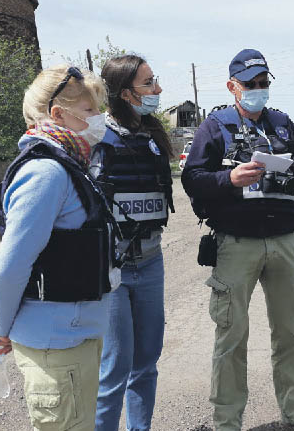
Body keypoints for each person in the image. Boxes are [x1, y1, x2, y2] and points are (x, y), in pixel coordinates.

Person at [0, 65, 120, 431]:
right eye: (90, 111)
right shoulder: (46, 173)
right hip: (57, 341)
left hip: (75, 337)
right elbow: (10, 268)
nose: (100, 119)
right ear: (59, 114)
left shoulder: (71, 165)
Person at [181, 49, 294, 431]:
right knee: (231, 336)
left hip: (285, 242)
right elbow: (191, 178)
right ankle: (227, 423)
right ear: (233, 86)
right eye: (251, 84)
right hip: (235, 244)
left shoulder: (285, 127)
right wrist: (229, 179)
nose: (259, 90)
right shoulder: (214, 127)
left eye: (264, 83)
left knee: (291, 334)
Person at [90, 55, 174, 431]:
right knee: (115, 367)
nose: (157, 90)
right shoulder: (95, 137)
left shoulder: (153, 136)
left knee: (146, 362)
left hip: (151, 262)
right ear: (126, 93)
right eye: (149, 83)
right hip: (112, 269)